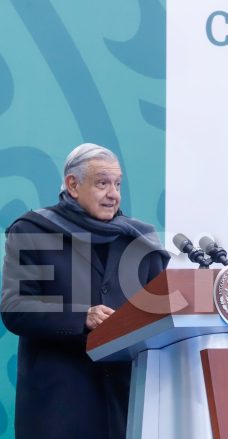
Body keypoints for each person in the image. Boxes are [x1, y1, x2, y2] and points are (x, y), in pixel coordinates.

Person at [1, 143, 169, 439]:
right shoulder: (34, 231)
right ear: (73, 185)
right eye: (102, 183)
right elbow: (16, 308)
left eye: (117, 184)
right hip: (60, 406)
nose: (113, 194)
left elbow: (159, 313)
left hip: (127, 405)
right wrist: (82, 317)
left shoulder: (139, 240)